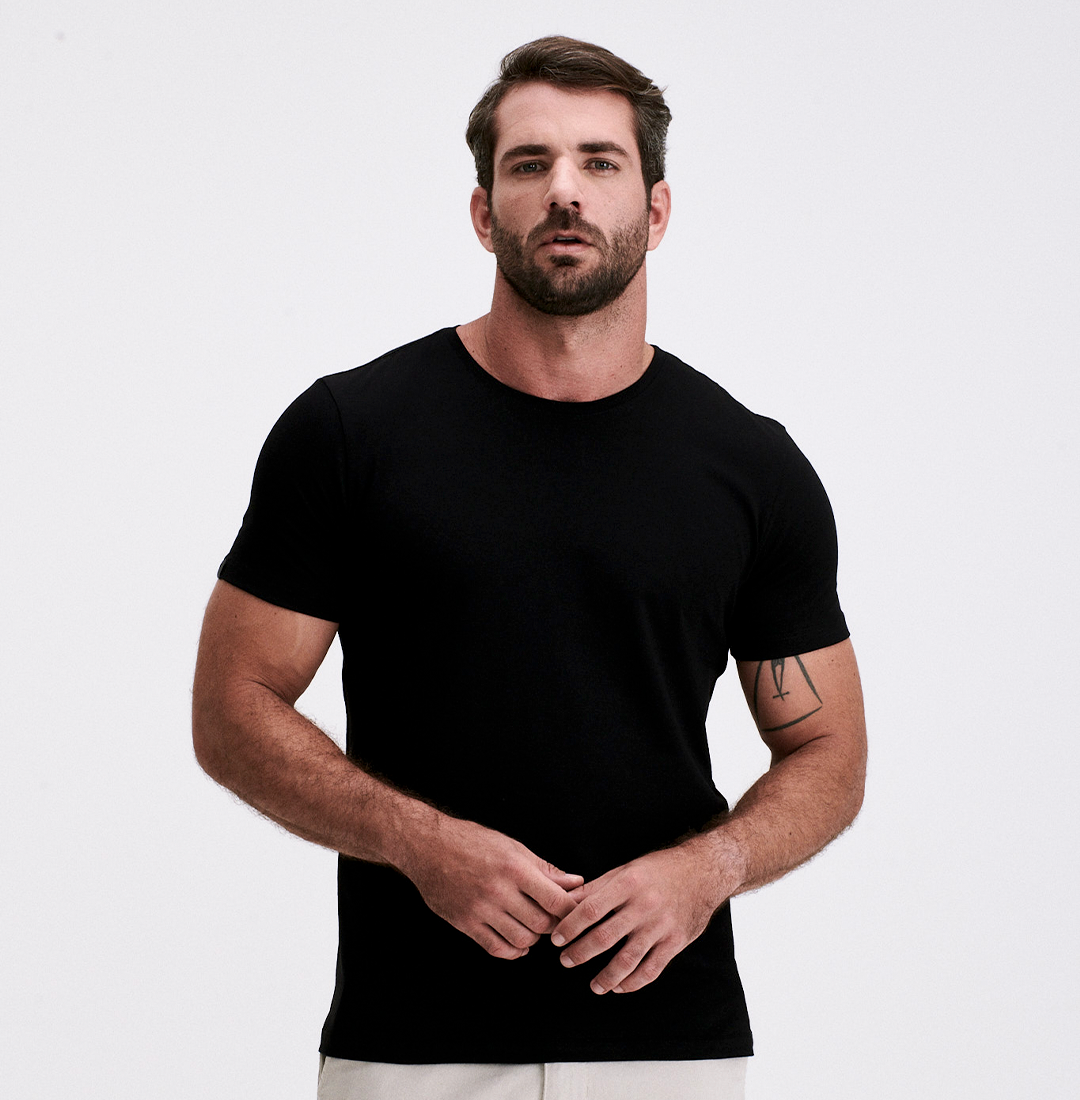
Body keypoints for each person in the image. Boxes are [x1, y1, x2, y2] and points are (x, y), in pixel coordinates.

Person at [192, 35, 867, 1100]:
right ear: (482, 211)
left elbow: (828, 748)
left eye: (601, 161)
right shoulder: (350, 433)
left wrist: (711, 868)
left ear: (657, 209)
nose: (565, 190)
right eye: (529, 163)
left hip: (669, 1045)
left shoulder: (750, 466)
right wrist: (417, 840)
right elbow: (232, 708)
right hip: (409, 1042)